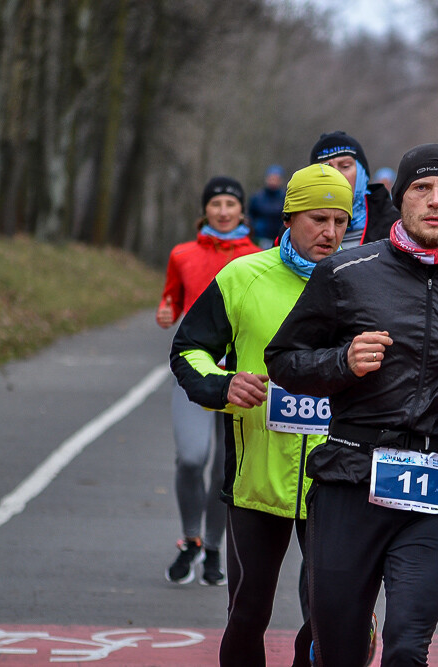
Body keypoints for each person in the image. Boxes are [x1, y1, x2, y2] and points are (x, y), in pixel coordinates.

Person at [264, 143, 438, 667]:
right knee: (339, 650)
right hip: (348, 482)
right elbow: (284, 360)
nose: (435, 200)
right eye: (421, 189)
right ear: (400, 199)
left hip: (432, 487)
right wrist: (342, 362)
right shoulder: (345, 273)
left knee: (407, 649)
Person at [170, 164, 353, 666]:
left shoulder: (363, 282)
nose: (330, 232)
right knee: (248, 611)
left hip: (337, 478)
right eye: (318, 218)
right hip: (256, 477)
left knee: (328, 614)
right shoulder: (242, 276)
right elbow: (188, 350)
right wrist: (224, 385)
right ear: (290, 217)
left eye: (341, 220)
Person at [156, 176, 260, 586]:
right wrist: (167, 311)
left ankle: (215, 546)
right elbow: (173, 301)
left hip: (243, 371)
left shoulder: (259, 256)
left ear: (241, 211)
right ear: (205, 210)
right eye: (215, 204)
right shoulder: (181, 254)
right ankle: (190, 539)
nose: (222, 211)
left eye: (229, 204)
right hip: (197, 369)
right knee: (191, 457)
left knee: (225, 467)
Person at [308, 131, 399, 249]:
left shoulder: (396, 227)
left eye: (345, 166)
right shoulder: (295, 229)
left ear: (362, 173)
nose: (336, 175)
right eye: (326, 169)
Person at [248, 164, 287, 249]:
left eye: (276, 179)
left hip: (279, 238)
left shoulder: (285, 198)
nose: (273, 181)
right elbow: (251, 216)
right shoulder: (257, 197)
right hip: (260, 238)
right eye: (271, 178)